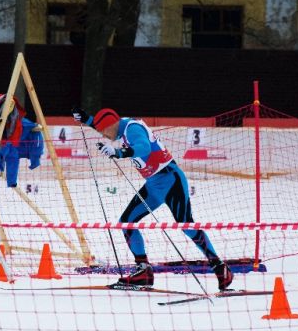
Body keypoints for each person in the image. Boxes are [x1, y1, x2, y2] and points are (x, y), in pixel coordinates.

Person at [72, 106, 233, 290]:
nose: (104, 137)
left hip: (170, 180)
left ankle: (220, 267)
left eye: (104, 132)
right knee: (127, 222)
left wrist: (120, 153)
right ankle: (143, 271)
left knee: (186, 225)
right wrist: (88, 120)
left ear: (111, 126)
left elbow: (144, 147)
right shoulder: (118, 126)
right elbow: (107, 125)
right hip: (153, 186)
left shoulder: (132, 129)